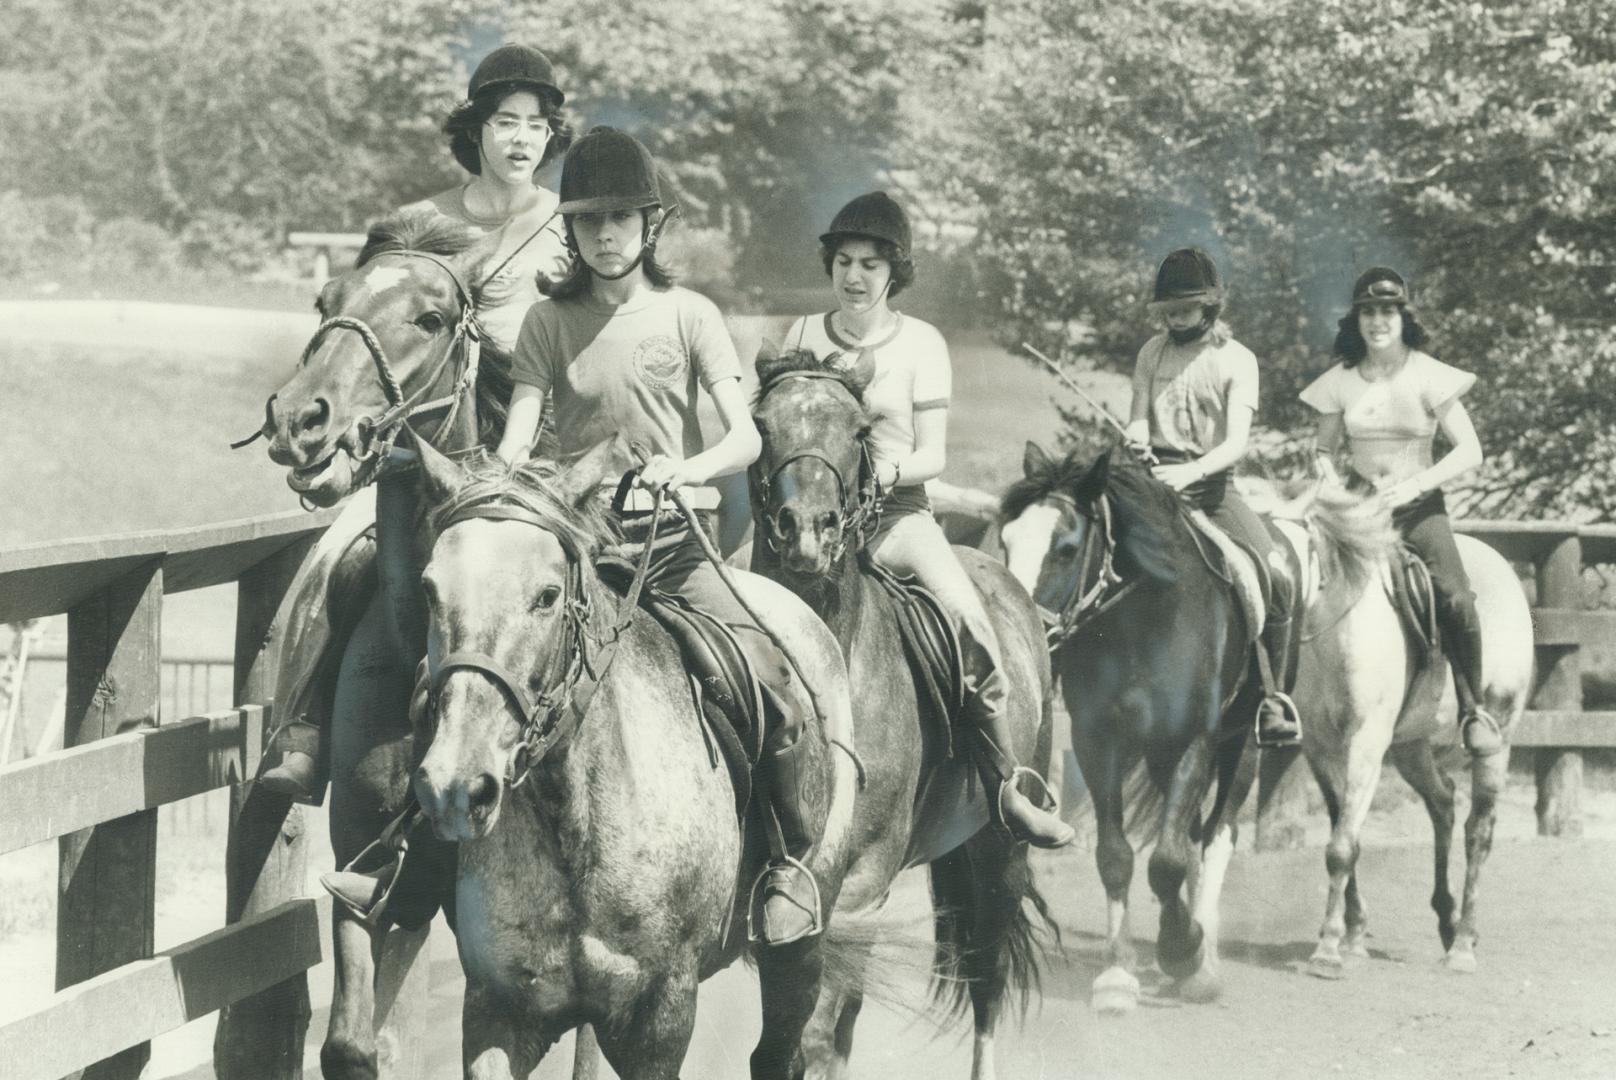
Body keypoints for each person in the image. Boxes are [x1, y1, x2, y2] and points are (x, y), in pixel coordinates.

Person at [326, 126, 827, 945]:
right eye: (590, 220)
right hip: (577, 550)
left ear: (650, 226)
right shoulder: (547, 325)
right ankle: (405, 853)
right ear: (573, 230)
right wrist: (492, 485)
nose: (605, 235)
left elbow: (745, 438)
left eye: (622, 220)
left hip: (671, 550)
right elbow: (521, 436)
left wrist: (688, 468)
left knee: (770, 677)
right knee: (459, 675)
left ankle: (785, 863)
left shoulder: (690, 315)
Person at [258, 44, 573, 798]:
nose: (521, 139)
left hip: (539, 459)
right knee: (338, 559)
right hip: (420, 465)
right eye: (505, 122)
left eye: (536, 124)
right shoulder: (416, 221)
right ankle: (301, 731)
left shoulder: (570, 229)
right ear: (477, 131)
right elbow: (362, 334)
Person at [781, 191, 1075, 848]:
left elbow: (934, 451)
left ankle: (1007, 783)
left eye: (871, 266)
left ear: (894, 274)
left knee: (969, 623)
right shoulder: (801, 334)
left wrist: (885, 474)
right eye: (845, 262)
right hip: (814, 523)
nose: (855, 277)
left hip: (896, 519)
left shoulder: (922, 343)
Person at [1300, 266, 1501, 755]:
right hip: (1358, 510)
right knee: (1298, 577)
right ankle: (1286, 697)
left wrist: (1417, 485)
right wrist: (1327, 479)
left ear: (1403, 317)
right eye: (1368, 312)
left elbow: (1469, 449)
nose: (1377, 321)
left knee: (1454, 596)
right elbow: (1323, 449)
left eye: (1387, 310)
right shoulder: (1341, 380)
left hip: (1418, 510)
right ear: (1357, 321)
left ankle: (1475, 708)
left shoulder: (1429, 374)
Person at [1123, 247, 1302, 747]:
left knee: (1276, 572)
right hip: (1154, 484)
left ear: (1210, 305)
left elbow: (1236, 443)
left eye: (1185, 307)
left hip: (1211, 488)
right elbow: (1139, 413)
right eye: (1168, 309)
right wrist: (1136, 434)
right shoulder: (1150, 353)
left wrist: (1193, 472)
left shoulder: (1236, 360)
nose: (1175, 317)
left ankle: (1272, 696)